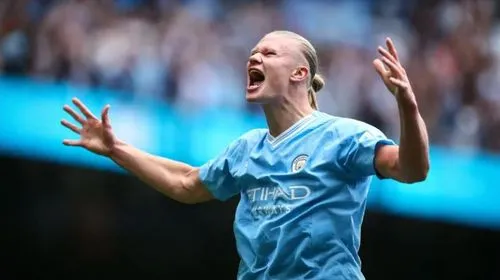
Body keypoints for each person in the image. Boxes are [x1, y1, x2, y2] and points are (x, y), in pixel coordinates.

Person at [61, 30, 429, 280]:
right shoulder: (247, 149)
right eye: (253, 52)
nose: (255, 56)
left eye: (269, 52)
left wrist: (408, 107)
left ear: (300, 73)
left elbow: (413, 170)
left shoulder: (345, 136)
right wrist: (115, 149)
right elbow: (187, 183)